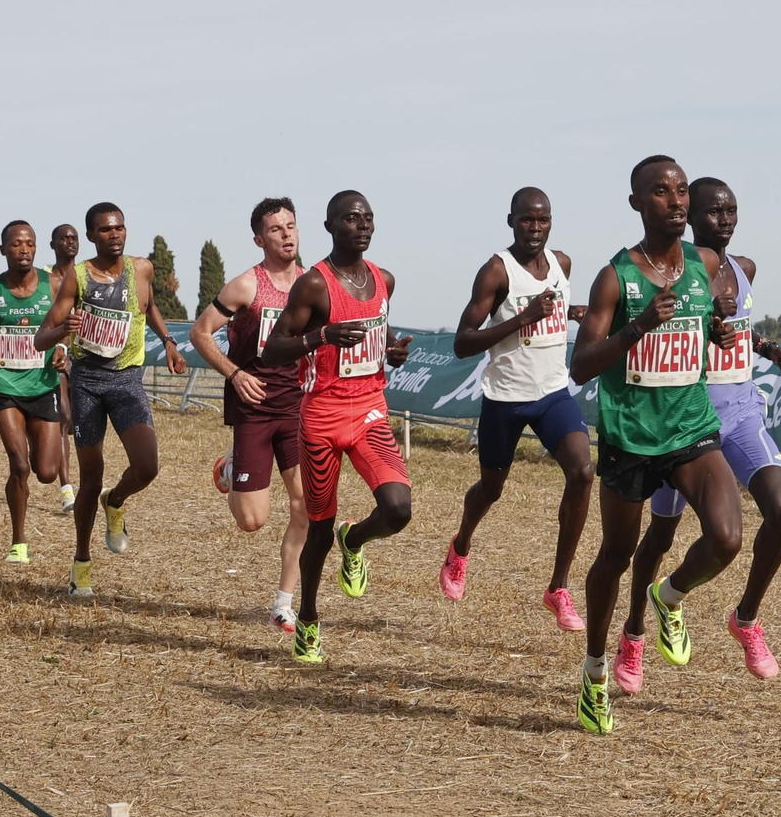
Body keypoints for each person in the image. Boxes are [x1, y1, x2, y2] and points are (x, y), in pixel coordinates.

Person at [568, 155, 743, 734]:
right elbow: (581, 365)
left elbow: (708, 334)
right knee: (616, 556)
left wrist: (716, 330)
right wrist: (637, 326)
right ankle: (595, 674)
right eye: (662, 192)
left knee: (726, 537)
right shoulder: (615, 277)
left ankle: (669, 595)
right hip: (630, 436)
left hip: (691, 428)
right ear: (638, 203)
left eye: (682, 191)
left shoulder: (707, 262)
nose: (677, 201)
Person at [626, 177, 781, 684]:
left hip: (742, 411)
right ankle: (633, 633)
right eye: (714, 212)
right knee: (659, 535)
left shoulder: (743, 269)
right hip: (687, 419)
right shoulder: (680, 272)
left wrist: (768, 351)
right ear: (690, 215)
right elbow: (664, 333)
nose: (725, 220)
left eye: (732, 211)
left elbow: (740, 327)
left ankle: (742, 617)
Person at [262, 191, 413, 663]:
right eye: (351, 219)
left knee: (397, 509)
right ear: (330, 227)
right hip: (323, 416)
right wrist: (321, 336)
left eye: (368, 218)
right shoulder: (313, 285)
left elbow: (378, 332)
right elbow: (273, 350)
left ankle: (358, 539)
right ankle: (307, 617)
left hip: (369, 408)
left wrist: (392, 350)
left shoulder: (384, 279)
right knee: (318, 532)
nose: (362, 226)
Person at [440, 188, 595, 628]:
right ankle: (461, 547)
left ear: (551, 223)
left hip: (552, 394)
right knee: (491, 490)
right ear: (511, 221)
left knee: (583, 472)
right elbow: (462, 342)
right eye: (526, 220)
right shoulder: (496, 271)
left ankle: (558, 587)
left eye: (542, 220)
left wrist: (569, 312)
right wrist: (521, 319)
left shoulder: (562, 264)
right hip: (505, 400)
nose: (535, 228)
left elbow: (551, 309)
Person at [35, 202, 187, 597]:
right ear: (91, 236)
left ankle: (115, 501)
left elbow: (149, 305)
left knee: (147, 465)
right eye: (105, 230)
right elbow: (41, 336)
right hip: (86, 382)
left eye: (119, 228)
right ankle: (81, 561)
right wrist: (62, 332)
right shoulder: (78, 278)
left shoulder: (142, 269)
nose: (114, 234)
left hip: (127, 380)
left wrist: (168, 341)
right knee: (90, 478)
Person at [189, 196, 309, 633]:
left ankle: (284, 602)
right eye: (276, 229)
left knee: (307, 507)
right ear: (260, 238)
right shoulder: (246, 286)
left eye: (292, 225)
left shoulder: (314, 285)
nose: (287, 234)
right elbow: (200, 333)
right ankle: (232, 462)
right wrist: (235, 373)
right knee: (251, 521)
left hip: (297, 408)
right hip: (253, 409)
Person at [0, 221, 70, 563]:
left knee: (46, 471)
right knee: (19, 465)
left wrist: (63, 352)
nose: (24, 250)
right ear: (3, 249)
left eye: (30, 244)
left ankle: (38, 481)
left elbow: (70, 327)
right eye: (16, 244)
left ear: (37, 249)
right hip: (5, 385)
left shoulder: (55, 286)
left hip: (43, 383)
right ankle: (19, 541)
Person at [49, 223, 81, 513]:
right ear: (53, 245)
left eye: (74, 238)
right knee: (64, 416)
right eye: (63, 239)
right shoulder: (46, 281)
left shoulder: (87, 276)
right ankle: (67, 488)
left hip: (85, 358)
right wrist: (59, 346)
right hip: (55, 357)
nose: (69, 243)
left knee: (77, 423)